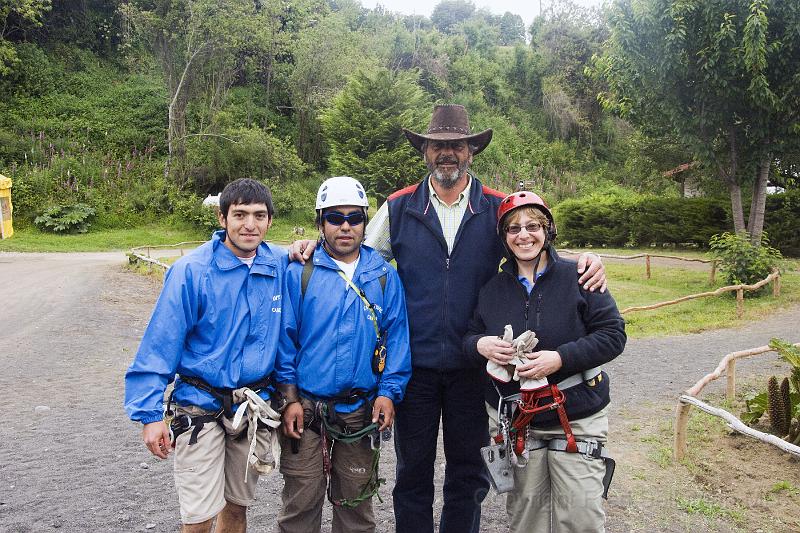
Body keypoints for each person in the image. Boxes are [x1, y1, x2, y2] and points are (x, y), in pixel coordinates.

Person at [289, 104, 606, 533]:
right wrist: (309, 245)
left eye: (456, 145)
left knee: (467, 474)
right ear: (425, 152)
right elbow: (355, 256)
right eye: (438, 146)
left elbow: (533, 246)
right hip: (414, 367)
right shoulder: (399, 207)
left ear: (471, 151)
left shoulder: (495, 207)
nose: (447, 154)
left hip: (475, 368)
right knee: (412, 472)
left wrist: (586, 260)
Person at [124, 178, 286, 533]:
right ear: (222, 217)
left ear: (271, 221)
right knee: (198, 516)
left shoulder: (279, 266)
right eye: (239, 214)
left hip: (252, 405)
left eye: (259, 215)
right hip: (199, 405)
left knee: (237, 507)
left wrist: (306, 245)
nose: (249, 224)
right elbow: (160, 343)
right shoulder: (192, 272)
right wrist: (149, 415)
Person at [463, 191, 626, 532]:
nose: (524, 235)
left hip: (576, 415)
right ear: (504, 238)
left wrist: (560, 358)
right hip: (518, 420)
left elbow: (613, 334)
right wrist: (482, 345)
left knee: (580, 518)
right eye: (513, 228)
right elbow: (468, 338)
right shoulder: (491, 290)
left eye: (533, 225)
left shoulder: (580, 277)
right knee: (526, 520)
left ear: (548, 230)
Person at [275, 176, 412, 533]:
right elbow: (284, 340)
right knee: (299, 508)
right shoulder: (299, 273)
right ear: (320, 222)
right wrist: (288, 397)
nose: (346, 226)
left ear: (367, 222)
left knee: (357, 512)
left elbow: (397, 339)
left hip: (360, 412)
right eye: (335, 217)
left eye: (355, 217)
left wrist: (388, 393)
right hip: (306, 411)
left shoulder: (383, 276)